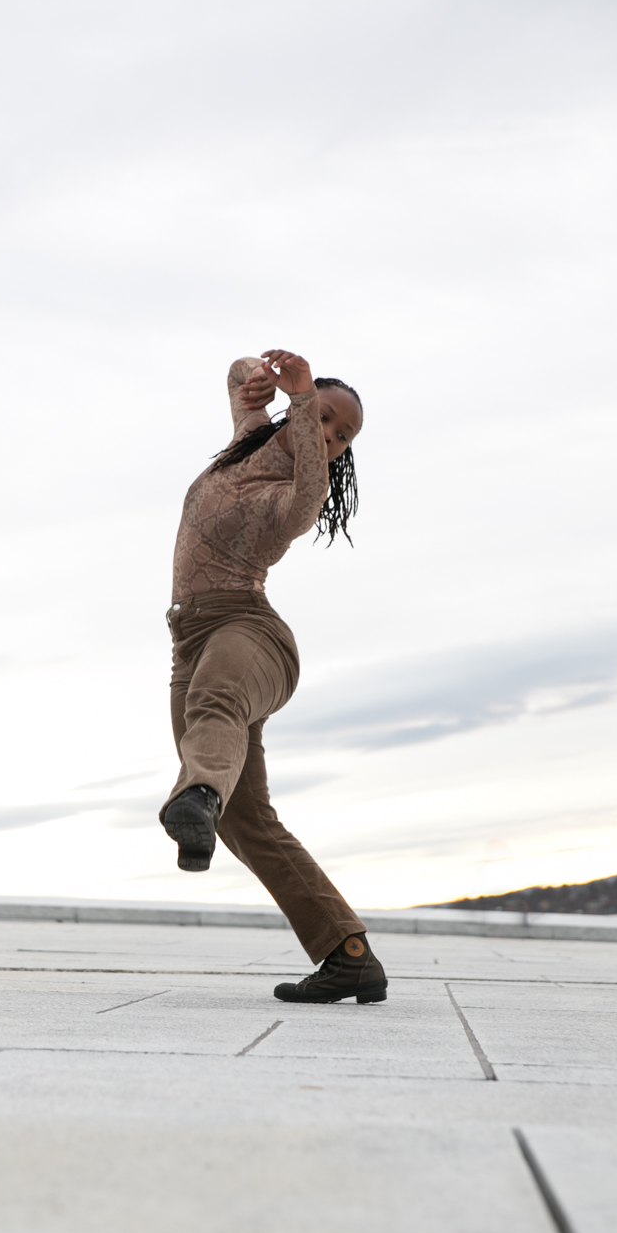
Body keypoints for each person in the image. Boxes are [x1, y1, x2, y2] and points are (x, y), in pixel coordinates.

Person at [160, 349, 387, 1005]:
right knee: (246, 819)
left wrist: (308, 398)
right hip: (189, 638)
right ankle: (348, 954)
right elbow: (239, 385)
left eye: (344, 435)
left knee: (215, 707)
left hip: (250, 632)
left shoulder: (295, 497)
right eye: (328, 422)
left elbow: (314, 487)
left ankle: (197, 794)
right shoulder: (244, 448)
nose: (333, 438)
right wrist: (253, 373)